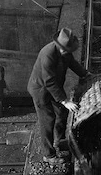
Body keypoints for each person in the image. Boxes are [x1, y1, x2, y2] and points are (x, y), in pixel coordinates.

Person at [28, 28, 88, 165]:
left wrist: (85, 74)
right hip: (41, 90)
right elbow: (48, 81)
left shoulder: (66, 52)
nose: (65, 52)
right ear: (58, 45)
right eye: (63, 50)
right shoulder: (47, 54)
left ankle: (59, 142)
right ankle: (48, 155)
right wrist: (64, 100)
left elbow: (72, 64)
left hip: (54, 88)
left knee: (62, 112)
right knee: (48, 120)